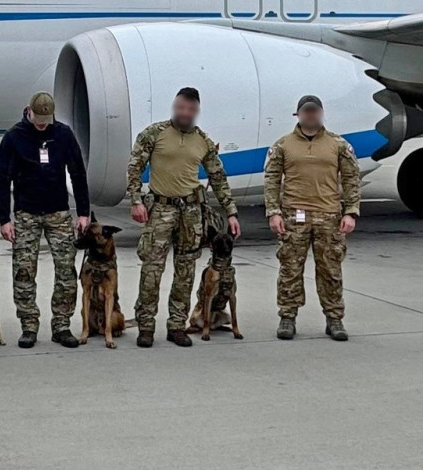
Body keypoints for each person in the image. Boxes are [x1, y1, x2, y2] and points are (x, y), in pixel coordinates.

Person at [126, 87, 240, 348]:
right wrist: (135, 200)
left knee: (185, 272)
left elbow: (218, 178)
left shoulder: (203, 141)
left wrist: (231, 212)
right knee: (151, 270)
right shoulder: (153, 134)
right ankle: (146, 326)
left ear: (196, 111)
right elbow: (134, 168)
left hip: (191, 213)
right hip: (160, 209)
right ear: (174, 107)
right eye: (180, 107)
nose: (184, 113)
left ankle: (177, 326)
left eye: (190, 109)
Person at [0, 92, 91, 349]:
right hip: (26, 213)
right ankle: (29, 325)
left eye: (46, 121)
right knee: (24, 271)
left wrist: (83, 212)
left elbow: (78, 173)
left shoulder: (63, 134)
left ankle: (62, 325)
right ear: (29, 111)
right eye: (38, 120)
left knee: (66, 270)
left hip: (58, 212)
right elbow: (2, 180)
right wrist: (4, 219)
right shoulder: (14, 137)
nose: (41, 125)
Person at [263, 95, 361, 341]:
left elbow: (351, 178)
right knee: (290, 269)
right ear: (298, 115)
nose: (311, 115)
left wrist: (351, 212)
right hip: (293, 216)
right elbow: (272, 180)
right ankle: (287, 317)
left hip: (329, 216)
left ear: (321, 113)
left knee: (331, 270)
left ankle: (334, 318)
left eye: (315, 111)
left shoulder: (338, 144)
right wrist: (274, 212)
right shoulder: (283, 145)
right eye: (306, 111)